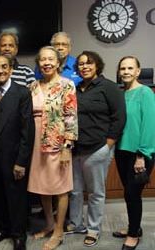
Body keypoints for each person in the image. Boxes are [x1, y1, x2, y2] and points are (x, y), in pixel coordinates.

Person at [67, 51, 126, 247]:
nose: (84, 67)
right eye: (81, 64)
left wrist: (108, 144)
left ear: (97, 66)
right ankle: (76, 224)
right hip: (75, 148)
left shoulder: (108, 87)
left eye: (89, 63)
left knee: (95, 193)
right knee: (75, 191)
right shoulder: (74, 88)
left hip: (97, 149)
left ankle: (93, 229)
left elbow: (119, 117)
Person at [0, 54, 35, 250]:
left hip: (13, 157)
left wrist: (22, 161)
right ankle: (1, 228)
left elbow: (28, 130)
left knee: (16, 197)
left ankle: (18, 234)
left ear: (11, 69)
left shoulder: (22, 92)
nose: (0, 71)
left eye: (4, 67)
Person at [28, 46, 78, 250]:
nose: (47, 63)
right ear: (39, 64)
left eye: (51, 59)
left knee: (60, 188)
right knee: (43, 186)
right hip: (35, 143)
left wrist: (67, 146)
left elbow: (71, 117)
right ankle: (49, 223)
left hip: (58, 144)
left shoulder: (67, 85)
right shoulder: (33, 85)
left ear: (58, 63)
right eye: (43, 60)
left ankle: (58, 231)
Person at [113, 56, 155, 250]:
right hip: (122, 150)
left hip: (140, 153)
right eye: (123, 68)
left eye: (131, 68)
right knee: (129, 194)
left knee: (133, 193)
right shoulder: (120, 93)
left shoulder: (145, 92)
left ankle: (133, 235)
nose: (126, 72)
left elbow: (149, 125)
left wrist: (141, 155)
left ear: (138, 71)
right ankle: (134, 227)